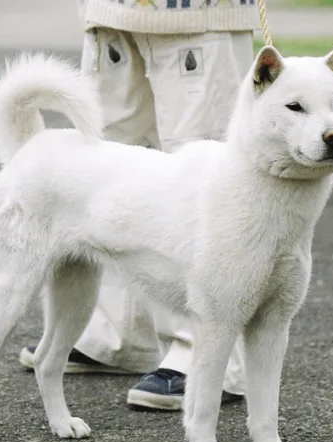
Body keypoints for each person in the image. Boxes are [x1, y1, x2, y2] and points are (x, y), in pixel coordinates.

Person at [19, 0, 260, 411]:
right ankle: (120, 333)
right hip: (115, 10)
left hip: (200, 13)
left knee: (201, 164)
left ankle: (206, 355)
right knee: (111, 157)